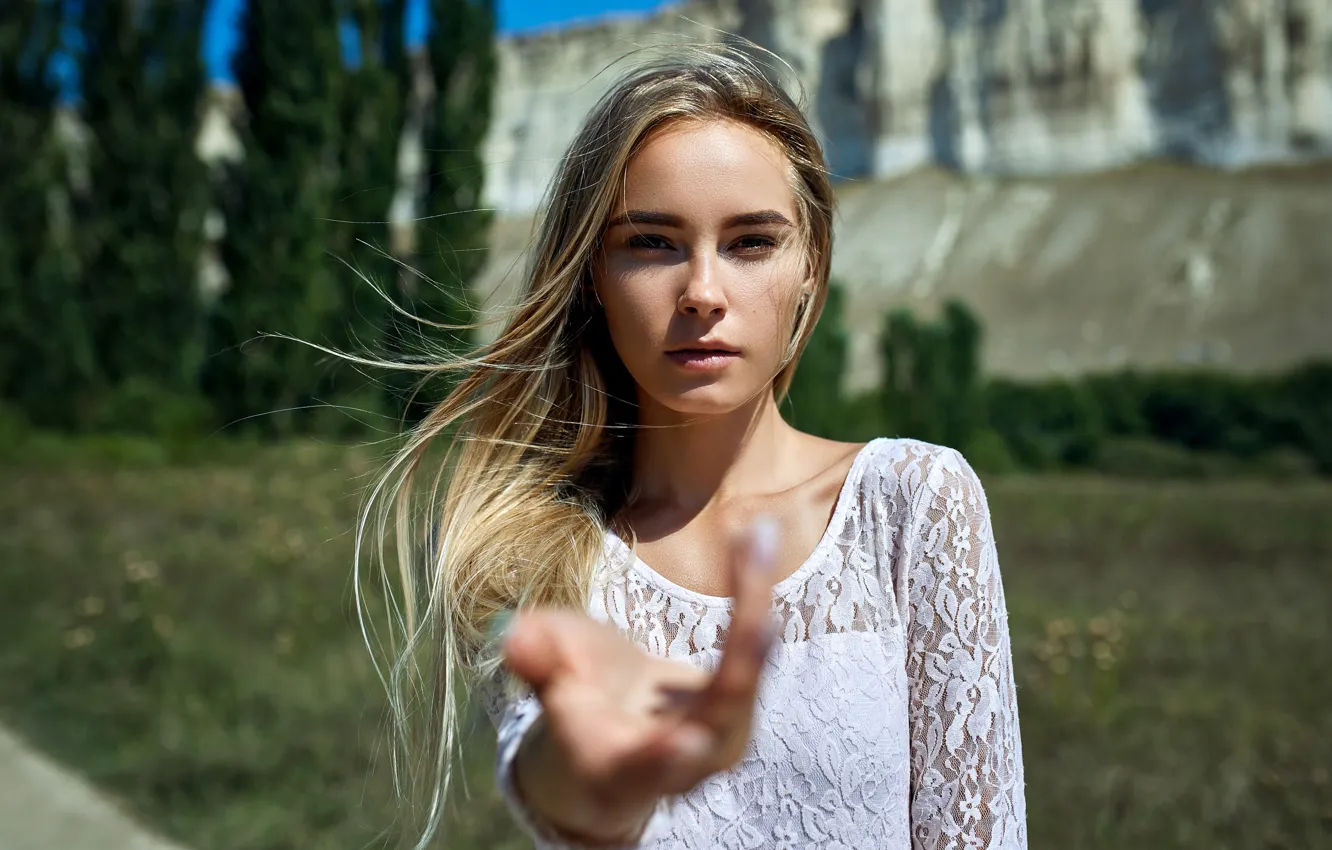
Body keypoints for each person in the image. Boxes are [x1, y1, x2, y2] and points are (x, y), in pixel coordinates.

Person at [360, 45, 1026, 850]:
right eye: (652, 242)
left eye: (750, 243)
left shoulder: (915, 502)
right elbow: (555, 776)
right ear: (595, 274)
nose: (703, 293)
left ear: (810, 265)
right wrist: (594, 780)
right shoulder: (528, 547)